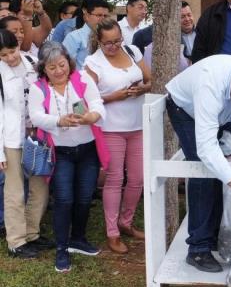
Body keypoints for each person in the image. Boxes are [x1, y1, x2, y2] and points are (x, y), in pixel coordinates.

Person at [165, 55, 231, 273]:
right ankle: (198, 248)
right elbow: (206, 148)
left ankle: (214, 236)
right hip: (186, 110)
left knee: (223, 172)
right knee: (204, 170)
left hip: (222, 114)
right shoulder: (209, 84)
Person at [29, 42, 109, 273]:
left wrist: (91, 116)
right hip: (60, 153)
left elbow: (97, 105)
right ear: (44, 69)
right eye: (52, 67)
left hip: (87, 149)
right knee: (64, 199)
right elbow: (35, 116)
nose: (59, 71)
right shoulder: (38, 88)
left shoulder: (82, 78)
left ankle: (78, 239)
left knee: (85, 196)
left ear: (69, 62)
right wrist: (59, 121)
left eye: (62, 64)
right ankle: (62, 248)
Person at [84, 18, 151, 254]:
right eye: (108, 43)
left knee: (137, 178)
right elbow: (86, 99)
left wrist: (142, 88)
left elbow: (149, 79)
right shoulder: (93, 62)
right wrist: (115, 96)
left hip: (137, 124)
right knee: (114, 179)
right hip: (111, 126)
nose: (113, 47)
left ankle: (126, 221)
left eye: (117, 41)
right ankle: (112, 232)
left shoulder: (132, 51)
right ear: (98, 41)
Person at [0, 30, 52, 258]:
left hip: (37, 135)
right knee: (14, 191)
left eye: (12, 52)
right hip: (10, 138)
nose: (10, 58)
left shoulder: (32, 62)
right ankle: (16, 241)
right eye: (3, 55)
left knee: (40, 186)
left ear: (17, 46)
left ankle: (32, 233)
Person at [62, 0, 110, 67]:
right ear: (87, 16)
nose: (103, 19)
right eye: (99, 15)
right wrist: (78, 79)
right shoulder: (73, 37)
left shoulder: (110, 37)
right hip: (81, 77)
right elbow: (67, 67)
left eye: (105, 16)